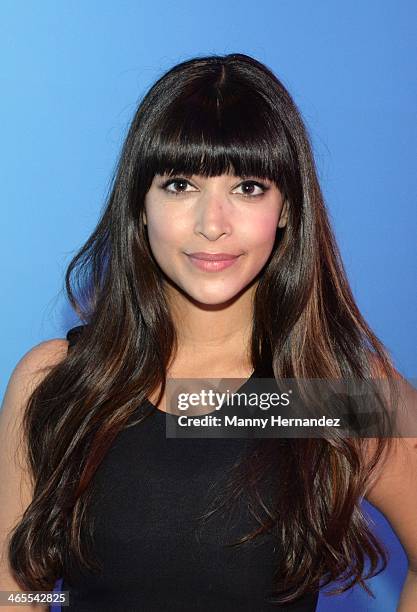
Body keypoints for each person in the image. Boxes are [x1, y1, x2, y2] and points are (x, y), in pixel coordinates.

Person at [0, 53, 416, 612]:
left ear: (287, 206)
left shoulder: (335, 393)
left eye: (248, 187)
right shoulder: (59, 381)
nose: (212, 223)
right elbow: (11, 592)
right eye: (179, 184)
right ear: (139, 207)